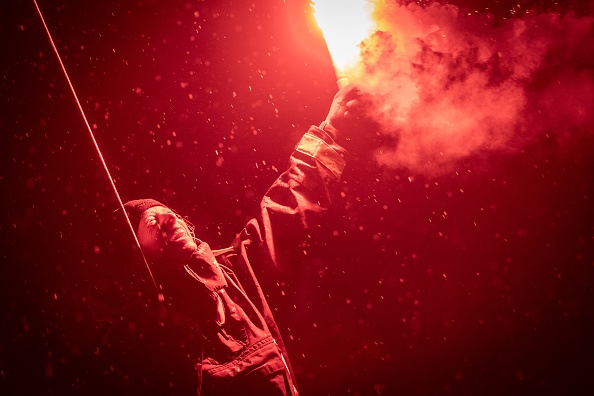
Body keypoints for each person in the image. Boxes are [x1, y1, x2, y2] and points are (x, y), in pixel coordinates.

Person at [101, 84, 373, 395]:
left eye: (167, 213)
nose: (167, 218)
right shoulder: (143, 334)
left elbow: (287, 207)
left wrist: (331, 129)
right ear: (139, 258)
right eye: (151, 223)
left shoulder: (236, 273)